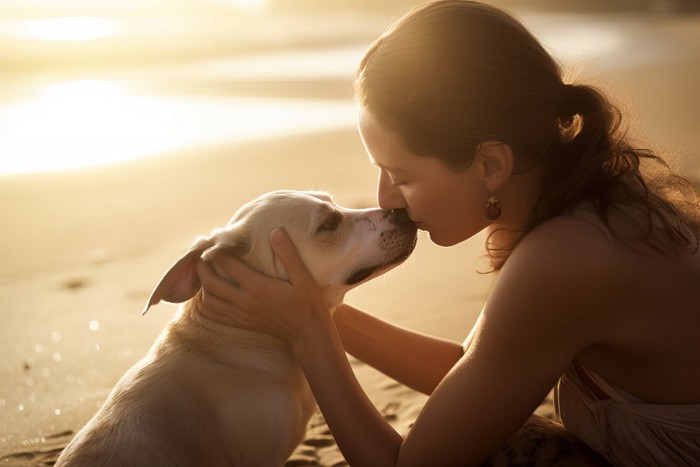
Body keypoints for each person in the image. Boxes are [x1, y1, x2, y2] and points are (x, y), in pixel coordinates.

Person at [195, 1, 700, 465]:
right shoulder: (579, 207)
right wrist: (320, 309)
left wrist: (308, 333)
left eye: (403, 175)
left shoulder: (564, 256)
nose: (387, 198)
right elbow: (478, 371)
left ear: (490, 162)